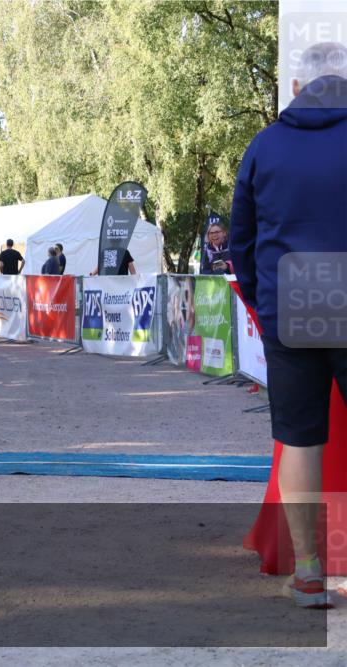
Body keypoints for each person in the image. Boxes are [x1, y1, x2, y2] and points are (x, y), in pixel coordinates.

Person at [230, 42, 347, 609]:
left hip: (292, 301)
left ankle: (308, 573)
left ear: (297, 88)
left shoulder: (264, 145)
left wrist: (263, 302)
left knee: (299, 440)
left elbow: (241, 242)